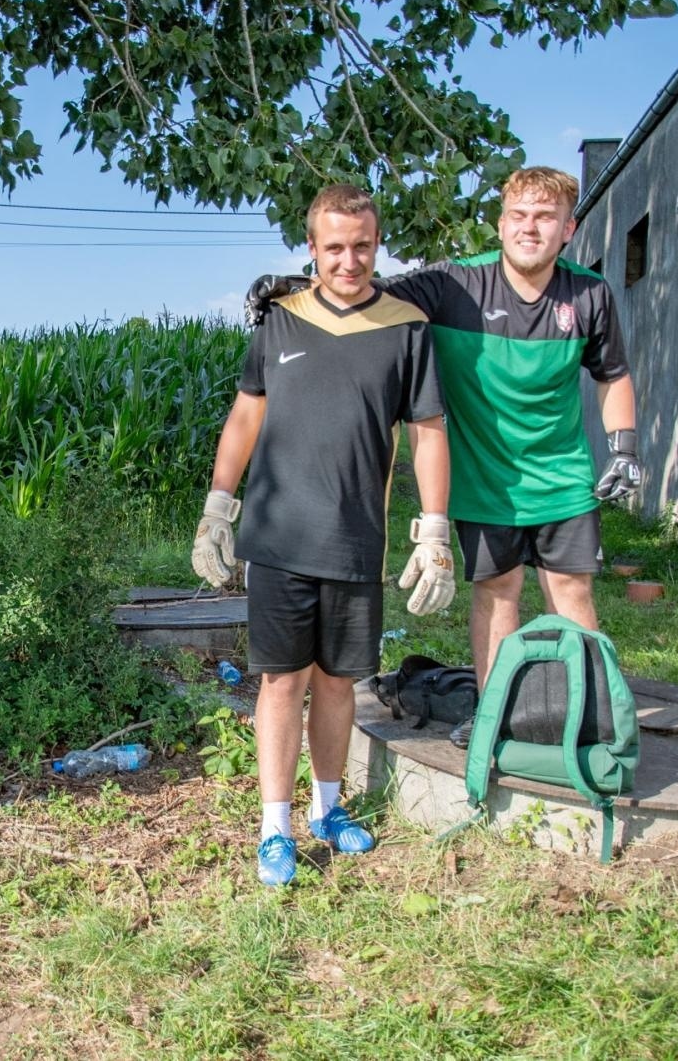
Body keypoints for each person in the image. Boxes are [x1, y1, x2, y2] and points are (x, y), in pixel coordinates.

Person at [245, 167, 642, 705]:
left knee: (571, 592)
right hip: (483, 480)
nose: (531, 228)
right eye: (519, 216)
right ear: (501, 225)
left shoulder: (589, 294)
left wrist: (625, 448)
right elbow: (363, 286)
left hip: (561, 476)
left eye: (546, 218)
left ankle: (589, 720)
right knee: (499, 593)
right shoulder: (456, 283)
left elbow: (612, 374)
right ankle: (495, 719)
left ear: (568, 229)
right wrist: (292, 284)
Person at [194, 184, 452, 886]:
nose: (349, 260)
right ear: (312, 247)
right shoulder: (279, 320)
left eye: (362, 245)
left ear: (378, 243)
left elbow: (428, 431)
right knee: (282, 683)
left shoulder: (406, 327)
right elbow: (245, 417)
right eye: (334, 247)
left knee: (339, 683)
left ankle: (328, 809)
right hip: (279, 536)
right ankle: (274, 827)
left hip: (356, 536)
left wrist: (434, 529)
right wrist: (220, 504)